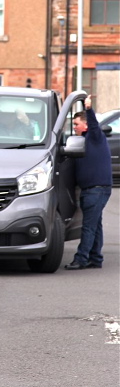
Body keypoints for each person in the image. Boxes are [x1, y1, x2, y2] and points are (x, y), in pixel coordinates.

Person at [64, 95, 113, 270]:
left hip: (97, 190)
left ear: (85, 124)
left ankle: (81, 259)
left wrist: (89, 109)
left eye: (76, 124)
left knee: (88, 227)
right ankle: (95, 258)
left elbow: (93, 124)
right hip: (91, 190)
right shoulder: (82, 142)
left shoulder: (95, 137)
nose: (74, 127)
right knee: (95, 225)